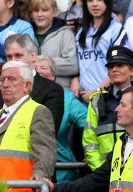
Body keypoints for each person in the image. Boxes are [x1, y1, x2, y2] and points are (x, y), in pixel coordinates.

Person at [46, 86, 133, 192]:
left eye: (123, 105)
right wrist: (56, 188)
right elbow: (97, 179)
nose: (116, 109)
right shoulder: (121, 143)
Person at [0, 60, 57, 184]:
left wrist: (40, 174)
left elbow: (45, 150)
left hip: (20, 187)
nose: (4, 84)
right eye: (2, 79)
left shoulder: (38, 111)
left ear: (27, 86)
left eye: (11, 79)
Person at [0, 34, 64, 133]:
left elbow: (47, 132)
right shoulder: (0, 94)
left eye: (18, 55)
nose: (13, 60)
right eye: (9, 57)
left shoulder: (51, 90)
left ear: (32, 55)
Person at [82, 45, 133, 171]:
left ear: (132, 71)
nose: (114, 69)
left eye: (120, 65)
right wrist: (100, 171)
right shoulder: (97, 101)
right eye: (111, 66)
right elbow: (89, 141)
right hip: (104, 174)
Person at [33, 54, 86, 183]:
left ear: (53, 75)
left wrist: (90, 152)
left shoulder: (66, 98)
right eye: (35, 68)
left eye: (44, 68)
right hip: (28, 167)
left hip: (62, 169)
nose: (39, 71)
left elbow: (88, 123)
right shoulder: (22, 98)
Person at [76, 0, 124, 101]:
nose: (95, 4)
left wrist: (98, 91)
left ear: (107, 2)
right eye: (90, 0)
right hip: (83, 98)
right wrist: (74, 81)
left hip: (107, 97)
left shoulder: (116, 29)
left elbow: (118, 66)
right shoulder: (81, 32)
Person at [31, 0, 78, 90]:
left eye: (45, 10)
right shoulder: (28, 34)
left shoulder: (65, 33)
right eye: (36, 10)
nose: (40, 14)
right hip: (33, 92)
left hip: (59, 90)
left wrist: (44, 65)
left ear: (55, 12)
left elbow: (73, 65)